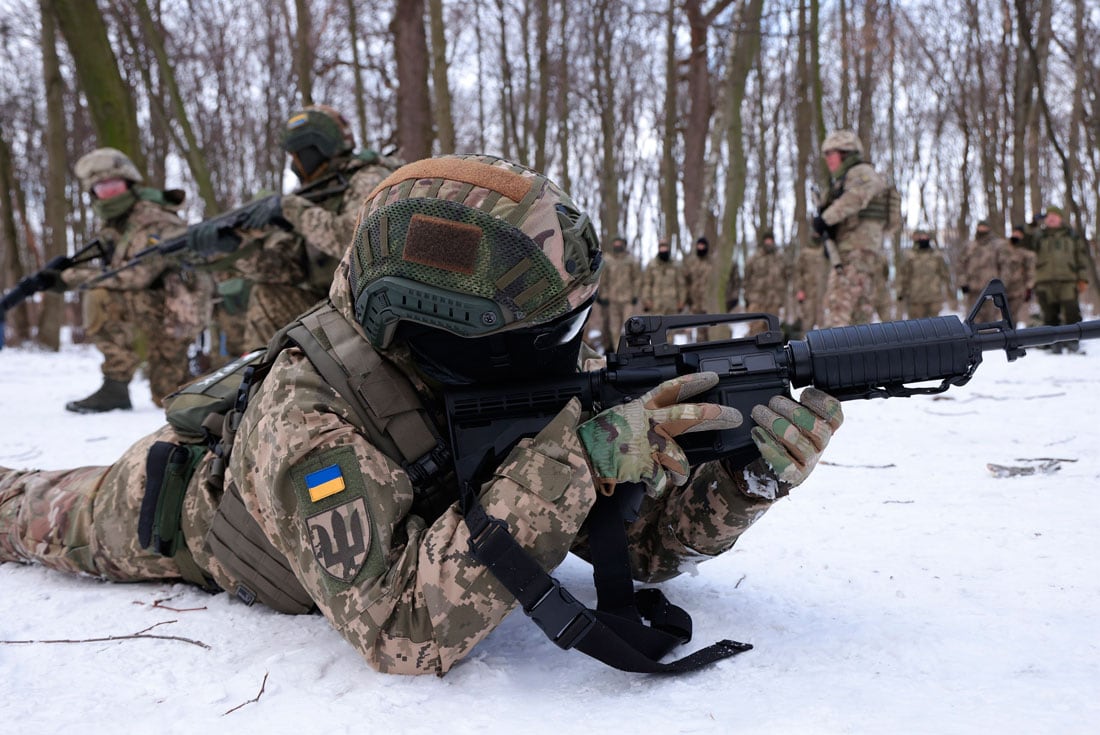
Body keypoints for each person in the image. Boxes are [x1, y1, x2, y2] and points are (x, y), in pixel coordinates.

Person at [0, 155, 842, 676]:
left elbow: (635, 541)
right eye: (552, 334)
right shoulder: (306, 423)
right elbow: (401, 626)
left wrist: (744, 479)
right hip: (180, 509)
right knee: (30, 508)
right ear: (450, 332)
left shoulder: (499, 356)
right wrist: (574, 461)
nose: (570, 353)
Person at [193, 105, 404, 349]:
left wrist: (291, 209)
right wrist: (236, 248)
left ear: (315, 148)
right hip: (336, 302)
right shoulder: (319, 193)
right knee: (267, 295)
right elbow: (290, 268)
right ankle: (263, 382)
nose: (294, 164)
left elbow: (357, 240)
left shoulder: (368, 177)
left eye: (296, 155)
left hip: (374, 307)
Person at [48, 148, 211, 412]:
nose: (109, 194)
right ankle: (116, 384)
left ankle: (223, 377)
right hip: (153, 309)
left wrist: (71, 278)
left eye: (114, 186)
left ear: (130, 184)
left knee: (169, 396)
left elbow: (136, 275)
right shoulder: (118, 225)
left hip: (176, 317)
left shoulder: (157, 219)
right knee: (100, 292)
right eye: (102, 189)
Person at [813, 129, 888, 327]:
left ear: (845, 153)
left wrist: (825, 219)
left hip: (855, 257)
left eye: (831, 154)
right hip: (857, 257)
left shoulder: (861, 173)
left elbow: (856, 198)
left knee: (838, 314)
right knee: (858, 322)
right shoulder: (845, 179)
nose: (828, 160)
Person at [1024, 206, 1090, 352]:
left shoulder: (1071, 235)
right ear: (1045, 219)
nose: (1052, 218)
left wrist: (1083, 278)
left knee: (1072, 311)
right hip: (1044, 281)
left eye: (1055, 215)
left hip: (1068, 280)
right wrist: (1032, 225)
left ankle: (1073, 341)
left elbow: (1081, 258)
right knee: (1049, 314)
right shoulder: (1038, 235)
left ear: (1060, 218)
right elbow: (1024, 243)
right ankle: (1054, 343)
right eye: (1049, 216)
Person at [958, 219, 1018, 323]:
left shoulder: (999, 245)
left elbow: (1006, 266)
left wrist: (1002, 285)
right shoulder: (969, 246)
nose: (982, 229)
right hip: (973, 290)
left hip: (991, 290)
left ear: (989, 228)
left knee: (990, 322)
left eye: (984, 227)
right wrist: (963, 283)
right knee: (971, 320)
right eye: (980, 227)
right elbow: (960, 266)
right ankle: (974, 340)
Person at [596, 235, 642, 351]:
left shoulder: (631, 260)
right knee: (614, 328)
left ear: (624, 245)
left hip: (627, 300)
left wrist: (635, 295)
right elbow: (603, 279)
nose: (617, 245)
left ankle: (630, 350)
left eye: (619, 243)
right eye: (615, 243)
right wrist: (603, 295)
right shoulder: (607, 260)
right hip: (612, 300)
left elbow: (637, 279)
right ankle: (618, 350)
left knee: (629, 326)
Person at [742, 229, 790, 335]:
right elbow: (746, 279)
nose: (768, 243)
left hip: (774, 302)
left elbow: (786, 278)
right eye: (766, 240)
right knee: (755, 330)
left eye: (770, 240)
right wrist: (747, 298)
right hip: (756, 301)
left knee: (772, 331)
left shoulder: (780, 259)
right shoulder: (754, 259)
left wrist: (782, 299)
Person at [897, 229, 952, 319]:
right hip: (915, 299)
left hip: (934, 297)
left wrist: (950, 293)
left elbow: (945, 274)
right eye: (920, 237)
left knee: (934, 327)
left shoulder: (937, 256)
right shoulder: (909, 256)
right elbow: (903, 276)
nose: (923, 239)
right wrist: (901, 292)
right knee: (915, 327)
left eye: (925, 237)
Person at [683, 236, 718, 340]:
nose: (701, 247)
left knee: (712, 330)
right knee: (700, 331)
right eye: (699, 245)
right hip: (696, 303)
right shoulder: (691, 263)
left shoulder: (713, 262)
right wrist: (687, 298)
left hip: (710, 302)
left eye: (703, 245)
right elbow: (686, 281)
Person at [641, 237, 684, 315]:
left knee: (673, 325)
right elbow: (647, 284)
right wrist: (646, 300)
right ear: (658, 248)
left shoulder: (675, 265)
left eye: (665, 247)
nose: (663, 249)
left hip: (672, 304)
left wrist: (681, 301)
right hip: (656, 304)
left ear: (668, 248)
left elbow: (681, 284)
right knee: (657, 326)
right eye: (661, 247)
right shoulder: (652, 265)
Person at [794, 237, 828, 331]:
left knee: (823, 322)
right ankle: (805, 342)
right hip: (808, 292)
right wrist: (799, 290)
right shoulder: (805, 253)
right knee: (808, 320)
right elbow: (798, 272)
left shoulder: (825, 251)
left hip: (822, 292)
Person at [1007, 223, 1037, 325]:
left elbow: (1031, 271)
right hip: (1005, 287)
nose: (1016, 235)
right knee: (1005, 316)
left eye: (1018, 233)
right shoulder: (1005, 248)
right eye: (1014, 233)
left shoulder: (1027, 252)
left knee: (1016, 317)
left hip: (1019, 289)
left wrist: (1029, 287)